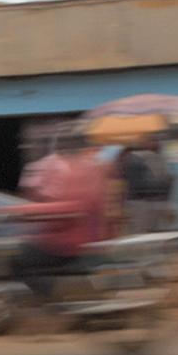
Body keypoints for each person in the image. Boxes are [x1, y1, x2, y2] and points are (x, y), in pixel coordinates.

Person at [12, 123, 114, 299]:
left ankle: (54, 296)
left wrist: (23, 211)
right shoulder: (94, 168)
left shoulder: (74, 171)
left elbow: (70, 207)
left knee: (18, 260)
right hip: (91, 237)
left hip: (67, 243)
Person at [115, 131, 170, 237]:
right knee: (141, 234)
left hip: (143, 203)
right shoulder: (134, 158)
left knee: (144, 234)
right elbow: (137, 184)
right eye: (153, 140)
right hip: (140, 203)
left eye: (156, 140)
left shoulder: (154, 158)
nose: (158, 143)